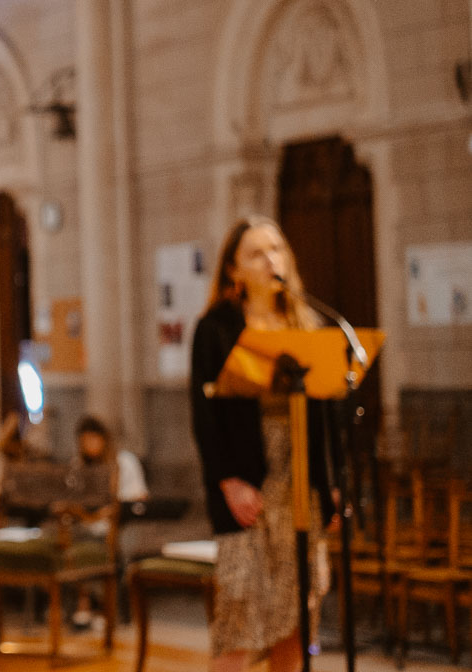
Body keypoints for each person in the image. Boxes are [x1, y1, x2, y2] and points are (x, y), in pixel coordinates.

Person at [190, 216, 336, 672]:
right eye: (256, 252)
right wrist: (228, 481)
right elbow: (204, 416)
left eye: (276, 249)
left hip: (300, 489)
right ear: (234, 271)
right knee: (241, 617)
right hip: (249, 485)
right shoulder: (215, 328)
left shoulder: (306, 324)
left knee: (296, 619)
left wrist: (328, 487)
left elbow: (324, 416)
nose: (270, 259)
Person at [68, 414, 149, 631]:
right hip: (88, 524)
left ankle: (107, 608)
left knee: (110, 546)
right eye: (85, 441)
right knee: (72, 543)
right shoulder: (78, 465)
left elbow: (138, 498)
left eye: (93, 439)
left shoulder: (124, 462)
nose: (90, 446)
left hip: (120, 525)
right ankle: (84, 604)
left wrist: (110, 510)